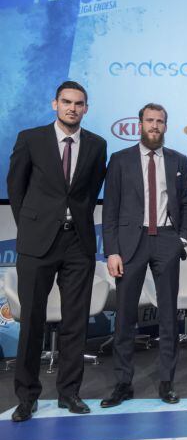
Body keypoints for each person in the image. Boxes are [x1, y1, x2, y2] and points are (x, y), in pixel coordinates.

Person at [7, 81, 107, 422]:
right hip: (38, 244)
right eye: (66, 102)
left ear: (86, 108)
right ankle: (27, 397)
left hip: (77, 243)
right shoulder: (30, 139)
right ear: (55, 104)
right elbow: (15, 187)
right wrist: (32, 225)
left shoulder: (96, 145)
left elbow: (90, 192)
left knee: (75, 324)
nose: (72, 108)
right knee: (32, 320)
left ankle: (69, 393)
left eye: (79, 103)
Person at [101, 103, 187, 407]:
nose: (155, 126)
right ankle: (123, 383)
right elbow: (110, 209)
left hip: (166, 240)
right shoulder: (119, 160)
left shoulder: (179, 160)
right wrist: (112, 250)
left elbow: (185, 204)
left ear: (166, 126)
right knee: (126, 316)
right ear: (139, 123)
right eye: (150, 120)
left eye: (160, 121)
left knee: (168, 316)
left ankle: (166, 382)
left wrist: (181, 239)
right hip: (131, 242)